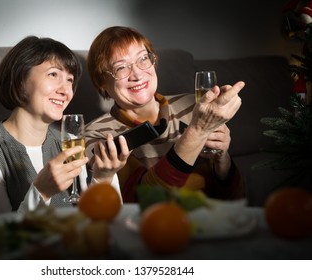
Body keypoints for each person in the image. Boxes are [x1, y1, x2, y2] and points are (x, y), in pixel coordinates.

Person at [0, 36, 121, 217]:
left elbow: (100, 223)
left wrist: (104, 177)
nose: (66, 91)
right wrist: (41, 192)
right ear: (20, 80)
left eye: (70, 80)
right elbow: (0, 239)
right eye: (53, 74)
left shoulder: (70, 143)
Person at [84, 26, 246, 202]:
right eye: (121, 68)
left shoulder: (195, 106)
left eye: (143, 59)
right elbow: (147, 199)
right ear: (101, 82)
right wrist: (197, 130)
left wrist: (222, 159)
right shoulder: (95, 135)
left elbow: (235, 198)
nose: (137, 74)